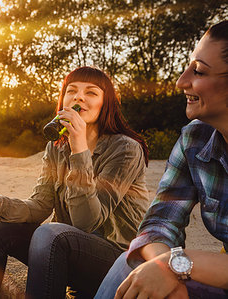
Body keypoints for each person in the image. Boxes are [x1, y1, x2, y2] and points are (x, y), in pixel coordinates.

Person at [0, 66, 150, 299]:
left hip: (118, 262)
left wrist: (79, 148)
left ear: (106, 104)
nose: (79, 97)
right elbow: (40, 204)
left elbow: (87, 223)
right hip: (69, 251)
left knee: (50, 234)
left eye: (91, 93)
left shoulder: (125, 149)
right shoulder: (56, 147)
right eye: (71, 91)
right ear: (63, 100)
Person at [95, 20, 228, 299]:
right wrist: (160, 268)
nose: (182, 81)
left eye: (199, 71)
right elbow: (159, 223)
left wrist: (175, 265)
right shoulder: (195, 139)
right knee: (134, 270)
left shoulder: (125, 148)